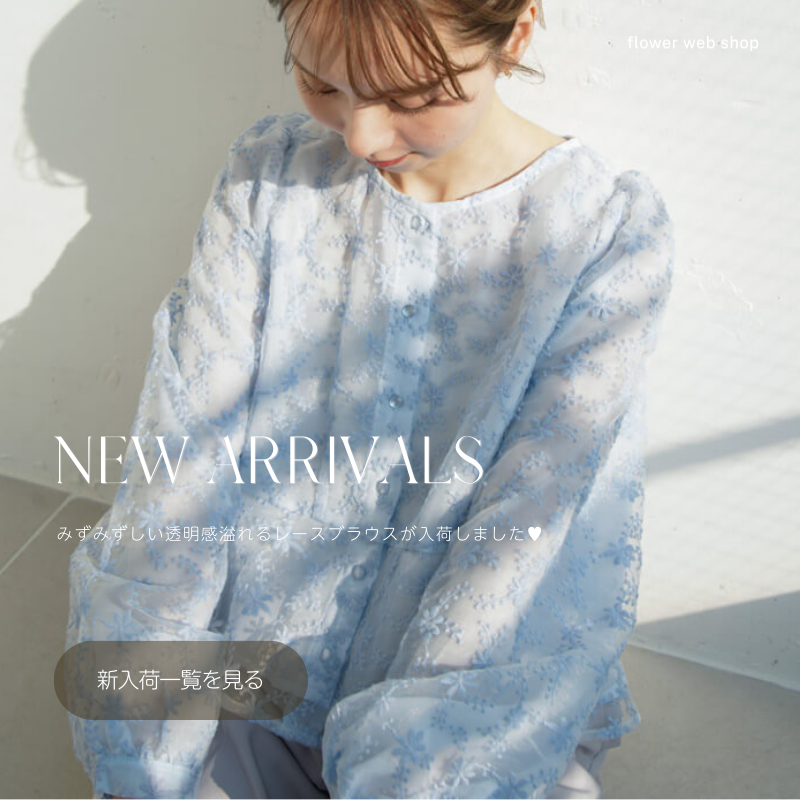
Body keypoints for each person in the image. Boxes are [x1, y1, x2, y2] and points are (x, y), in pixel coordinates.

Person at [66, 0, 675, 797]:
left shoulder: (600, 231)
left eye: (413, 97)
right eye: (320, 83)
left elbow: (527, 530)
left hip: (470, 673)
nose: (360, 136)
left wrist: (412, 762)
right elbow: (184, 453)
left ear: (517, 31)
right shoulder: (269, 177)